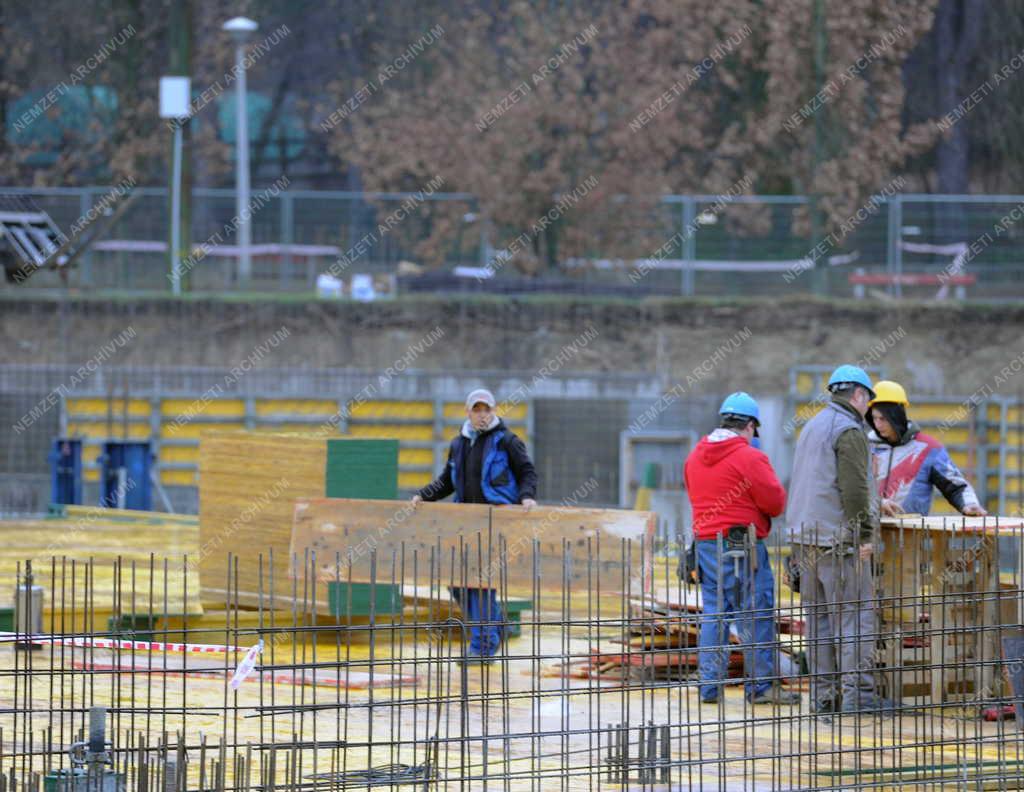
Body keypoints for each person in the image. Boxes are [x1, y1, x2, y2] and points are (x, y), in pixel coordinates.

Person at [786, 364, 893, 715]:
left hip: (806, 539)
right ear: (859, 395)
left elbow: (813, 484)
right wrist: (865, 534)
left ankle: (824, 697)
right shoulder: (848, 430)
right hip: (838, 542)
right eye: (868, 402)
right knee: (855, 617)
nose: (869, 411)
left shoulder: (812, 427)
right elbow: (854, 488)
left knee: (818, 623)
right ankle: (858, 697)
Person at [684, 392, 800, 706]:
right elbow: (775, 503)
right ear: (749, 425)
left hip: (707, 544)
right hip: (743, 545)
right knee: (756, 614)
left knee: (715, 615)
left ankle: (709, 688)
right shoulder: (750, 457)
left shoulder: (695, 455)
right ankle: (761, 688)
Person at [412, 388, 537, 662]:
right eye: (477, 409)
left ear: (493, 412)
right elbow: (447, 480)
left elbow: (526, 471)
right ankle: (497, 625)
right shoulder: (459, 443)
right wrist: (423, 495)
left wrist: (527, 497)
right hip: (465, 522)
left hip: (496, 519)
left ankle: (483, 647)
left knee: (480, 583)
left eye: (487, 409)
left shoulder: (507, 441)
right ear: (468, 412)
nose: (482, 415)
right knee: (457, 583)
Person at [867, 380, 987, 517]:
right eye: (874, 418)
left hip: (911, 534)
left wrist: (969, 504)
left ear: (897, 415)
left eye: (883, 419)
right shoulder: (865, 446)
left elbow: (955, 486)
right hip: (870, 534)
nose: (877, 425)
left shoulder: (929, 449)